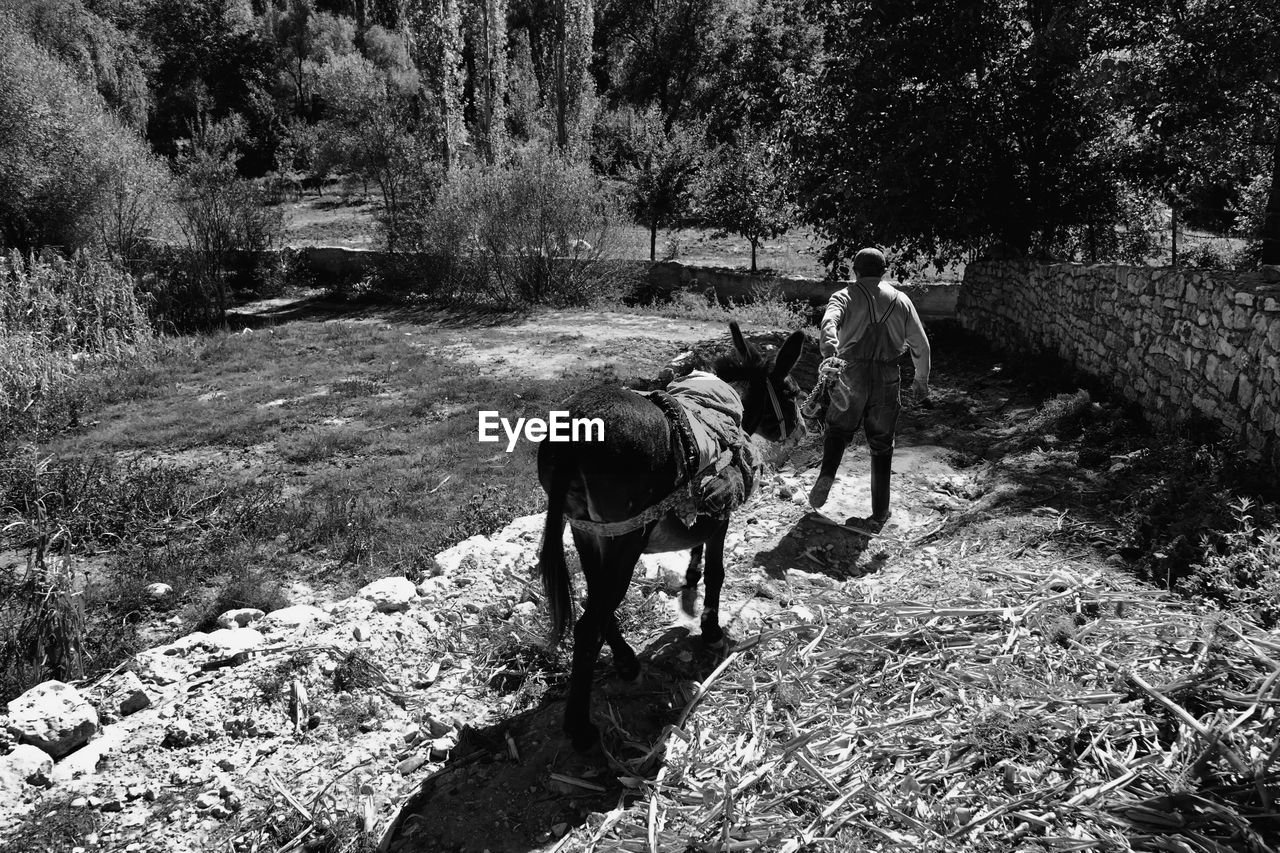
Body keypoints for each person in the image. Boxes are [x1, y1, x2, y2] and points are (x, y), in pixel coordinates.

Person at [809, 247, 931, 528]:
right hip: (887, 376)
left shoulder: (844, 296)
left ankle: (827, 474)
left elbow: (829, 322)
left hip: (850, 374)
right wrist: (920, 381)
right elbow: (921, 345)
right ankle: (880, 511)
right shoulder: (902, 301)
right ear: (885, 271)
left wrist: (830, 350)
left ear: (855, 270)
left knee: (838, 429)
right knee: (882, 442)